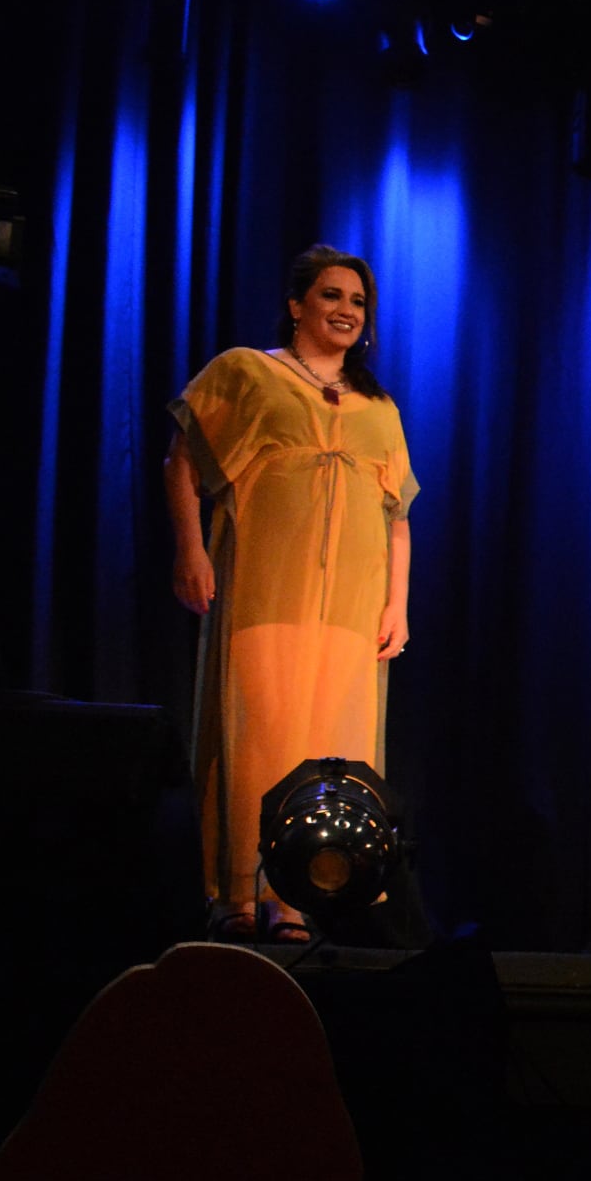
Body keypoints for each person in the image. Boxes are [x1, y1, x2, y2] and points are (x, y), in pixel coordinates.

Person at [164, 245, 417, 943]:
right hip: (267, 590)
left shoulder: (378, 406)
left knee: (330, 748)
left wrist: (397, 605)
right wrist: (190, 550)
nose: (346, 310)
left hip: (352, 608)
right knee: (258, 737)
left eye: (358, 302)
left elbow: (397, 517)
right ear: (297, 305)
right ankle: (238, 891)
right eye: (332, 295)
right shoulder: (249, 370)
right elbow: (180, 461)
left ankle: (300, 896)